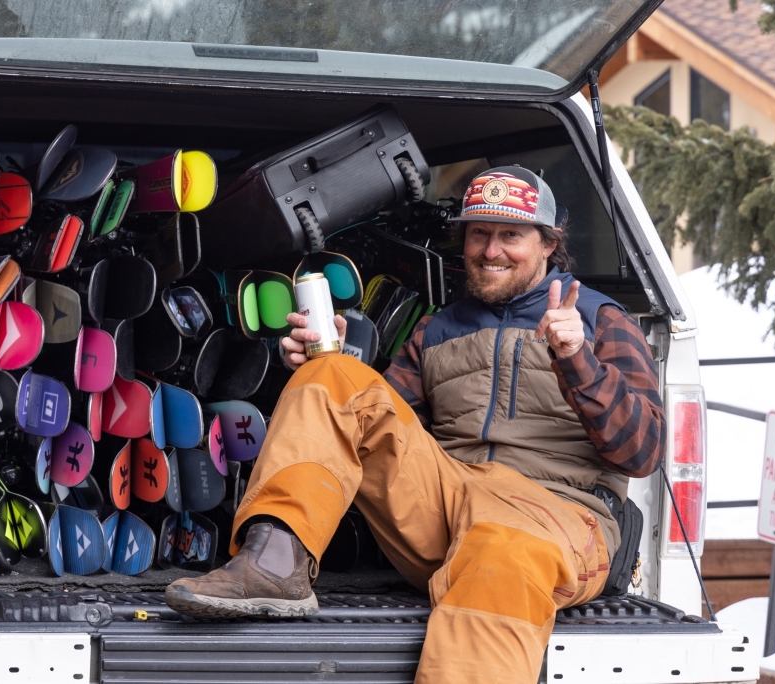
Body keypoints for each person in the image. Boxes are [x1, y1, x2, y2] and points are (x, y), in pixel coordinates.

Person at [165, 166, 665, 684]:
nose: (491, 250)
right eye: (479, 233)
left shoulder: (601, 321)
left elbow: (642, 453)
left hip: (557, 517)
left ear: (548, 244)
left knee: (501, 550)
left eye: (511, 235)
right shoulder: (435, 329)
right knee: (334, 374)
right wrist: (322, 361)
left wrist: (577, 357)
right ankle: (273, 563)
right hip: (449, 504)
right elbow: (373, 430)